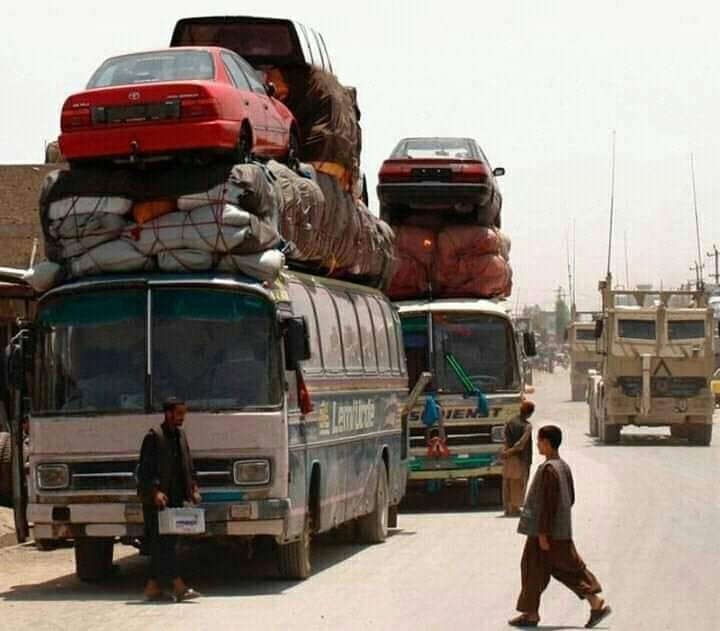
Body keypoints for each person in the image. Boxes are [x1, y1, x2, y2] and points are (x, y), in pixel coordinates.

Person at [509, 425, 611, 629]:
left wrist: (543, 533)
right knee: (562, 568)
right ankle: (593, 603)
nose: (537, 444)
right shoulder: (563, 466)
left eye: (539, 441)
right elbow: (570, 498)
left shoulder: (549, 469)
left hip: (546, 533)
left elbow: (547, 505)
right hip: (560, 531)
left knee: (537, 568)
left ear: (547, 443)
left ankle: (532, 614)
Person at [137, 397, 202, 602]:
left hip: (174, 500)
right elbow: (145, 471)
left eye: (184, 413)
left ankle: (152, 587)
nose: (182, 417)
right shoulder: (153, 437)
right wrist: (155, 492)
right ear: (168, 413)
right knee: (163, 545)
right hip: (156, 502)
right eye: (179, 413)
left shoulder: (180, 435)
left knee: (165, 545)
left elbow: (187, 465)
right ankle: (179, 586)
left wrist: (193, 488)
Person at [501, 400, 534, 516]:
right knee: (518, 483)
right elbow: (521, 444)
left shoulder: (509, 421)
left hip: (508, 458)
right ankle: (515, 508)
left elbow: (504, 437)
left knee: (507, 483)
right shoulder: (527, 426)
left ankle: (507, 508)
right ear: (530, 413)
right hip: (520, 458)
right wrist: (511, 452)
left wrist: (506, 452)